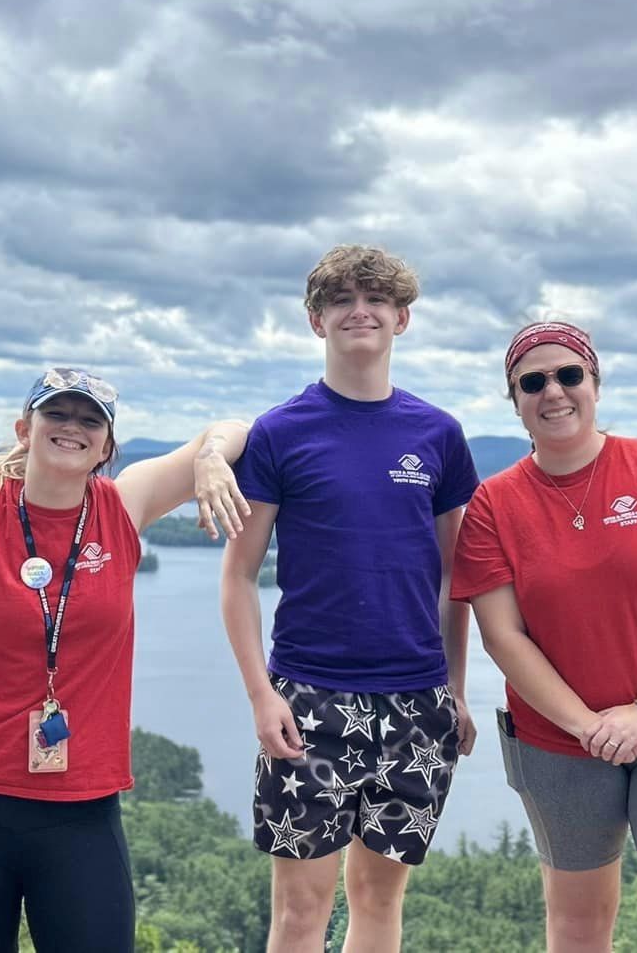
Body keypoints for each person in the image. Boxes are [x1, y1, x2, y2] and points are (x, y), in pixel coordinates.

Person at [0, 367, 250, 953]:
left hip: (79, 806)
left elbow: (236, 427)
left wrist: (210, 457)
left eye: (90, 420)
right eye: (56, 413)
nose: (71, 427)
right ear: (25, 429)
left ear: (106, 447)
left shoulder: (125, 506)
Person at [454, 321, 637, 953]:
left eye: (569, 375)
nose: (553, 392)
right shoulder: (494, 504)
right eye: (533, 382)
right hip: (559, 742)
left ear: (595, 382)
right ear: (515, 401)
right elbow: (503, 636)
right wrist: (586, 724)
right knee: (579, 926)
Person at [218, 244, 479, 953]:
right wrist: (259, 695)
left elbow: (458, 578)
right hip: (308, 699)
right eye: (340, 300)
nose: (358, 311)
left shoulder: (439, 436)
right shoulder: (281, 432)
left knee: (377, 902)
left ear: (402, 319)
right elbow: (239, 575)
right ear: (316, 321)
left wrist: (455, 687)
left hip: (416, 702)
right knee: (301, 911)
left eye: (375, 299)